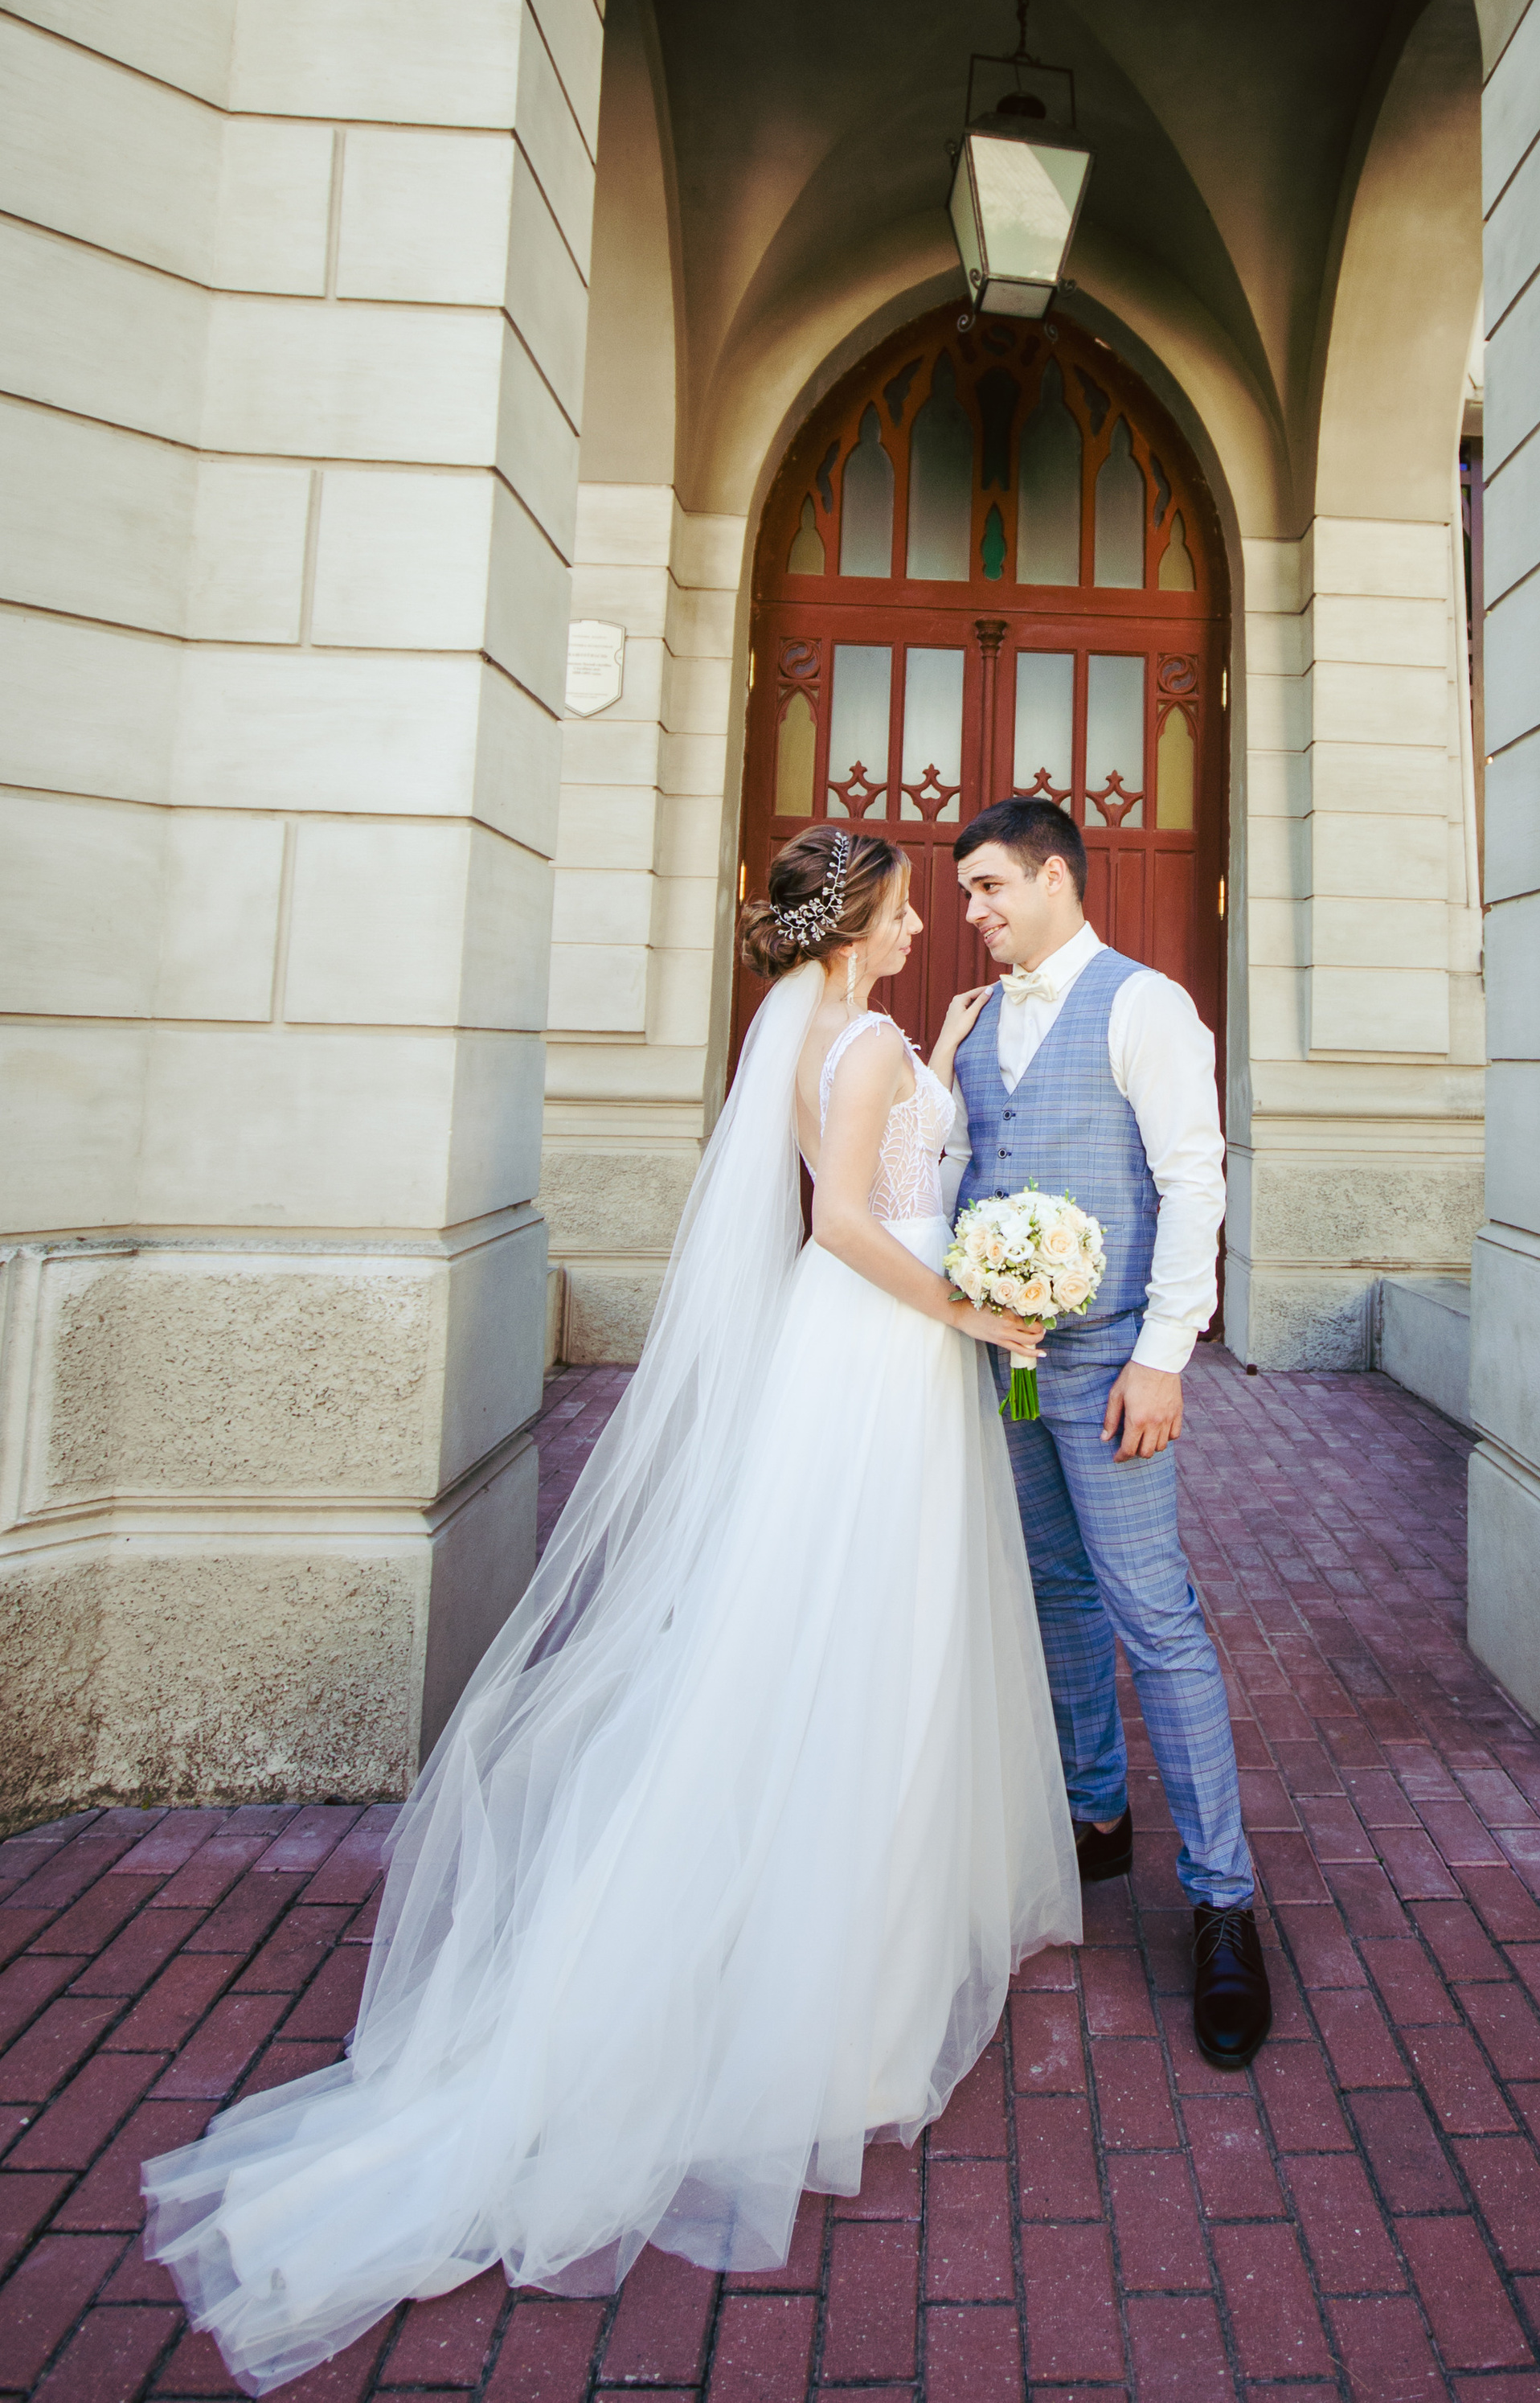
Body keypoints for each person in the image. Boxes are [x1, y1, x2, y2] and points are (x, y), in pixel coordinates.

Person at [141, 828, 1078, 2397]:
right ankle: (827, 1993)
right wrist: (980, 1305)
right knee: (864, 1654)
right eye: (912, 906)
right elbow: (849, 1221)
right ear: (857, 923)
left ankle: (854, 1941)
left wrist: (946, 1063)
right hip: (878, 1357)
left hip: (862, 1368)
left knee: (848, 1652)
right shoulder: (848, 1050)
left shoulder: (826, 1031)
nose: (929, 926)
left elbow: (881, 1148)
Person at [945, 798, 1272, 2069]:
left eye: (987, 889)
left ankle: (1224, 1903)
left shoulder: (1147, 1006)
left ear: (1052, 881)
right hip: (1011, 1373)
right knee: (1057, 1593)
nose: (971, 914)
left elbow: (1196, 1178)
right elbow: (966, 1164)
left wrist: (1161, 1356)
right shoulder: (975, 1023)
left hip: (1112, 1369)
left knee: (1155, 1612)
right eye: (967, 893)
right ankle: (1094, 1815)